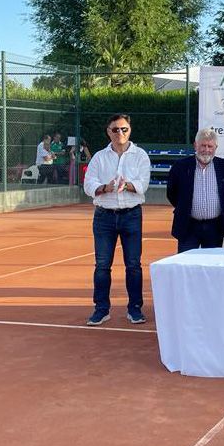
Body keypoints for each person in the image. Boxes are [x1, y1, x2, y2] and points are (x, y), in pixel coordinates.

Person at [83, 114, 151, 326]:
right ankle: (101, 309)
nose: (120, 133)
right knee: (102, 265)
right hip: (104, 216)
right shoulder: (99, 158)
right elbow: (88, 185)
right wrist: (106, 187)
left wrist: (127, 185)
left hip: (131, 215)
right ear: (108, 132)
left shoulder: (140, 155)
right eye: (115, 130)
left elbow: (144, 183)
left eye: (124, 129)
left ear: (129, 130)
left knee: (133, 265)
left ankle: (135, 309)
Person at [167, 128, 224, 253]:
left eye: (210, 146)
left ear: (215, 147)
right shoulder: (180, 166)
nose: (206, 150)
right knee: (186, 265)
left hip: (215, 227)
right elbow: (171, 193)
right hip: (188, 226)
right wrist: (185, 207)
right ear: (195, 145)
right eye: (203, 145)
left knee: (212, 266)